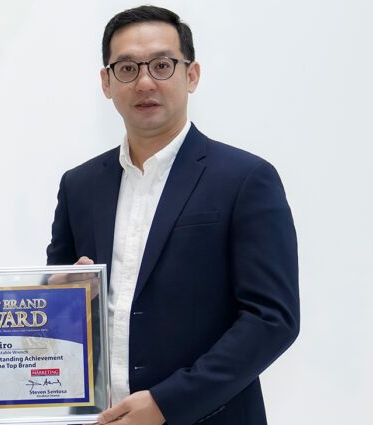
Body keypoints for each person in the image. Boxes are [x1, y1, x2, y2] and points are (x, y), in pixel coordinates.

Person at [45, 6, 299, 425]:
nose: (145, 81)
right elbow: (57, 307)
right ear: (107, 82)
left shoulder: (245, 179)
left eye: (162, 65)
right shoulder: (80, 186)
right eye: (127, 68)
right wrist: (60, 304)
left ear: (191, 75)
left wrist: (167, 404)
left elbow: (272, 320)